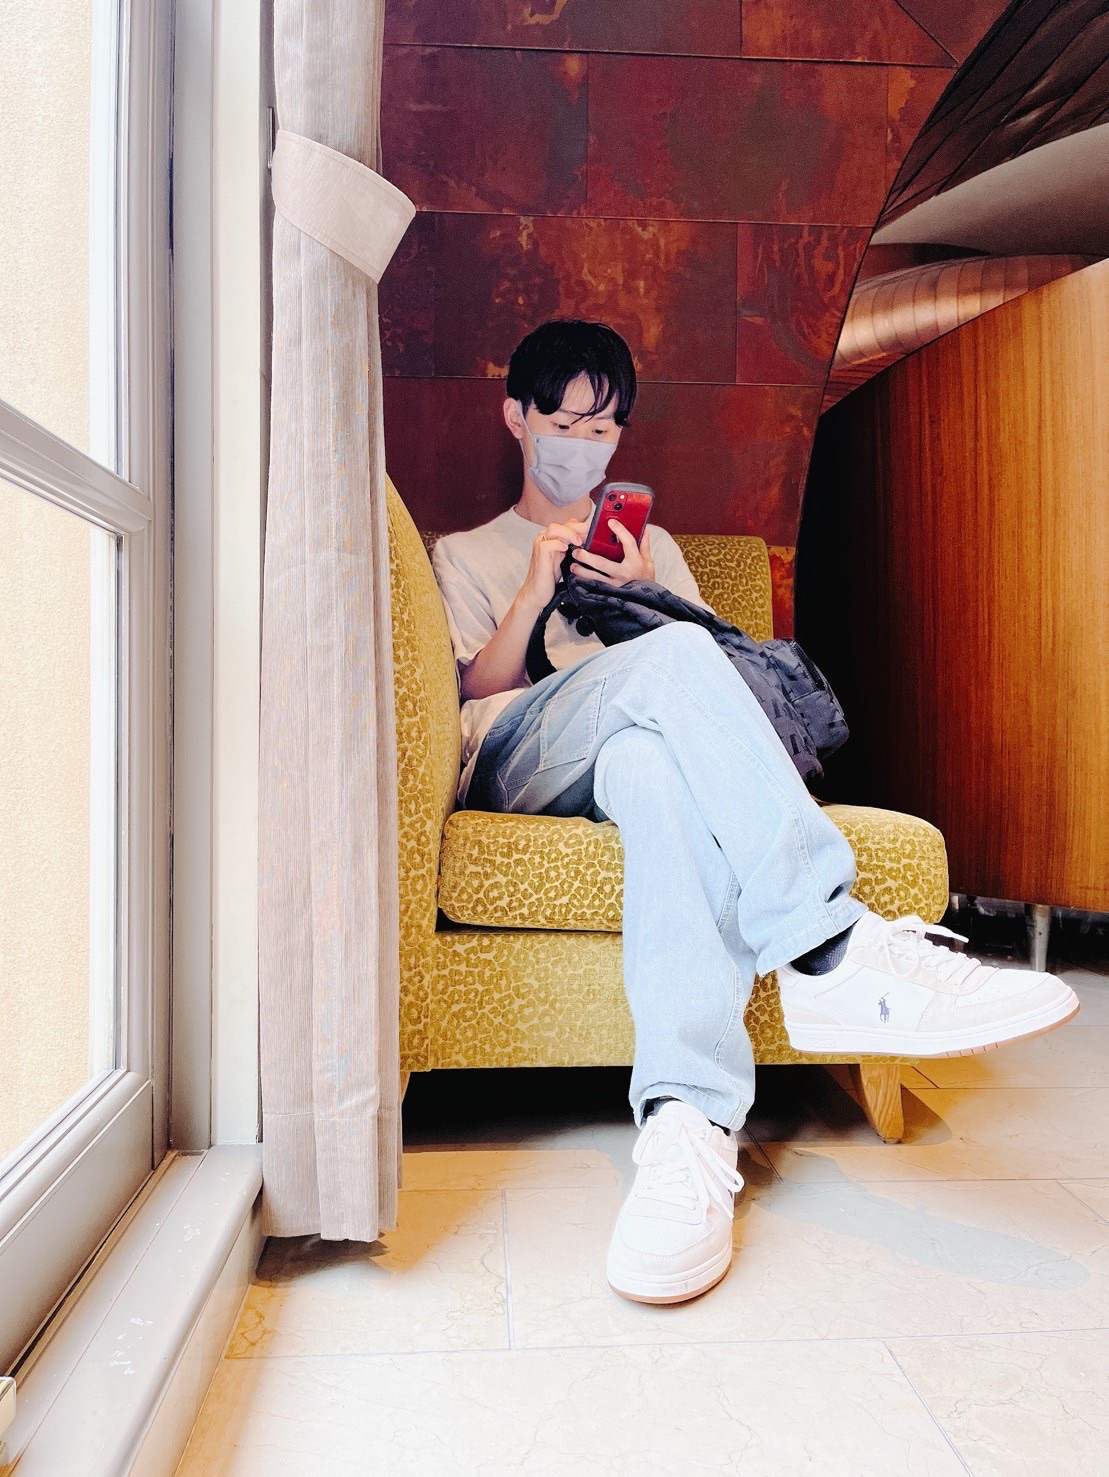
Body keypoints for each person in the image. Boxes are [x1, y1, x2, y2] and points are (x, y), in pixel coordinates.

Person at [430, 318, 1079, 1307]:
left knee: (651, 764)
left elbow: (718, 678)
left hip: (625, 756)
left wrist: (649, 594)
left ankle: (686, 1120)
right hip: (522, 750)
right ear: (515, 417)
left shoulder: (647, 547)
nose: (581, 447)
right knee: (663, 677)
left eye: (602, 430)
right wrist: (531, 591)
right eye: (562, 424)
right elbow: (475, 692)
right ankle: (829, 946)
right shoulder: (468, 551)